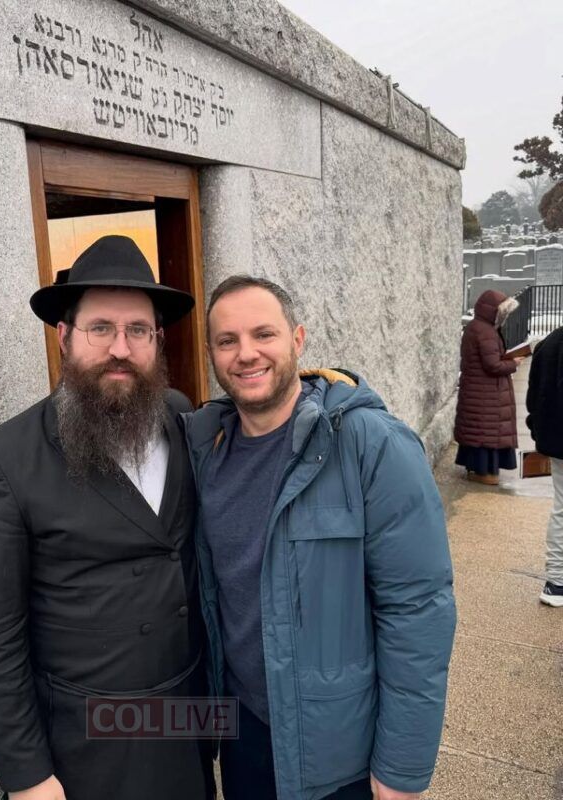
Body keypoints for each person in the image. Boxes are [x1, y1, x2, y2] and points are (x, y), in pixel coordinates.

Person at [0, 236, 213, 800]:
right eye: (101, 328)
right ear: (65, 337)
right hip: (90, 748)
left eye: (137, 330)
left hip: (190, 720)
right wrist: (26, 776)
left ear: (157, 340)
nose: (120, 348)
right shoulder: (3, 462)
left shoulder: (178, 416)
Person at [184, 275, 456, 800]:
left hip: (340, 751)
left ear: (298, 339)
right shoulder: (207, 450)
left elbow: (418, 610)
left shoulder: (369, 444)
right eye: (227, 341)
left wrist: (400, 768)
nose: (246, 354)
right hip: (245, 736)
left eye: (264, 334)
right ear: (212, 354)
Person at [454, 289, 524, 485]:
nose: (504, 316)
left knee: (478, 433)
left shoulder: (475, 328)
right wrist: (514, 363)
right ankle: (486, 474)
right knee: (486, 434)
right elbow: (492, 365)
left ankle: (478, 469)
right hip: (486, 394)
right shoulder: (486, 332)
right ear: (492, 311)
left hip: (478, 391)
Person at [526, 325, 563, 607]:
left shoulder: (549, 343)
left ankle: (556, 580)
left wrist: (539, 431)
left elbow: (533, 398)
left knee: (561, 510)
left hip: (556, 440)